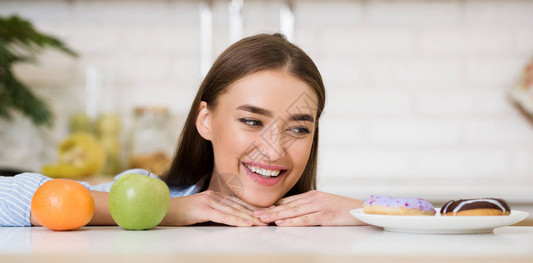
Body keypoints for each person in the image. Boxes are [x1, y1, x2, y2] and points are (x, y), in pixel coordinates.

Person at [0, 33, 364, 227]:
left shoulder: (329, 220)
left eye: (299, 129)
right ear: (206, 120)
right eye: (252, 121)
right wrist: (164, 211)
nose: (272, 151)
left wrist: (365, 213)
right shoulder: (153, 194)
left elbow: (421, 223)